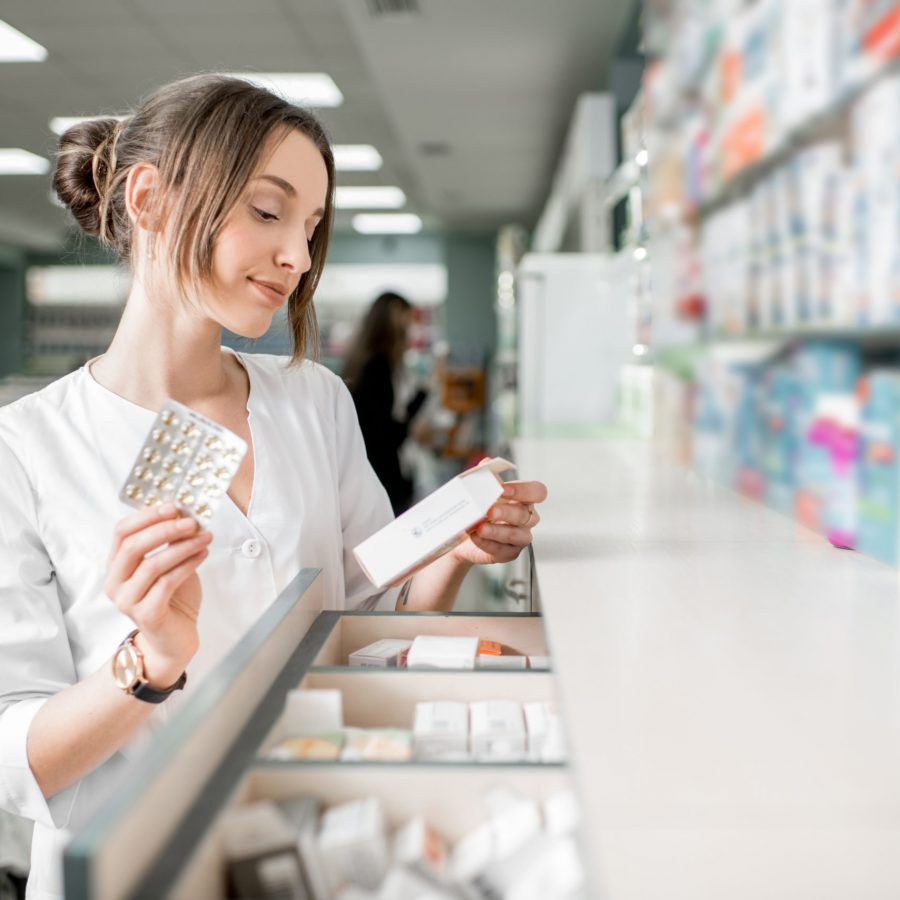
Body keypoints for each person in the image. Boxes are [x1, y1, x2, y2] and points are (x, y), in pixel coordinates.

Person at [0, 75, 546, 900]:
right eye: (268, 211)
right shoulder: (26, 448)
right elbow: (17, 760)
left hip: (321, 840)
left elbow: (370, 630)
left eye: (311, 226)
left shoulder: (313, 399)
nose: (297, 256)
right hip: (139, 867)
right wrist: (147, 662)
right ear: (148, 199)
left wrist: (453, 550)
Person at [342, 291, 428, 514]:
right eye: (406, 323)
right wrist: (418, 403)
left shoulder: (365, 360)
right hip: (383, 478)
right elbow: (386, 435)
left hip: (372, 473)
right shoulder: (378, 366)